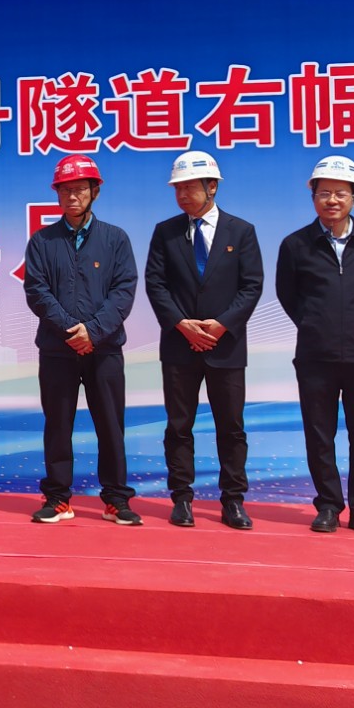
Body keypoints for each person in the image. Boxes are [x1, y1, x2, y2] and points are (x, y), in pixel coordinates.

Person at [276, 156, 354, 537]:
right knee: (319, 434)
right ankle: (328, 505)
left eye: (340, 193)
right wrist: (317, 326)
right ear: (312, 196)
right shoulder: (295, 245)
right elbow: (287, 295)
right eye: (324, 192)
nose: (332, 200)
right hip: (316, 356)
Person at [142, 150, 264, 530]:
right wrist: (182, 324)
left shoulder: (241, 231)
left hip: (226, 347)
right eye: (177, 188)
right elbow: (156, 284)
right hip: (179, 346)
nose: (182, 195)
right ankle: (182, 498)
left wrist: (222, 325)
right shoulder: (166, 232)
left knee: (231, 427)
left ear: (212, 187)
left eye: (189, 187)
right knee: (179, 426)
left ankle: (233, 501)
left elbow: (252, 285)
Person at [23, 154, 141, 526]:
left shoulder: (115, 239)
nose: (72, 197)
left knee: (110, 424)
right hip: (57, 349)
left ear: (95, 192)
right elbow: (37, 291)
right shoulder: (42, 241)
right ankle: (58, 498)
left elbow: (124, 290)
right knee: (58, 424)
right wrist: (70, 330)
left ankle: (116, 499)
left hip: (104, 349)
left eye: (79, 189)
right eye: (65, 190)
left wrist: (94, 331)